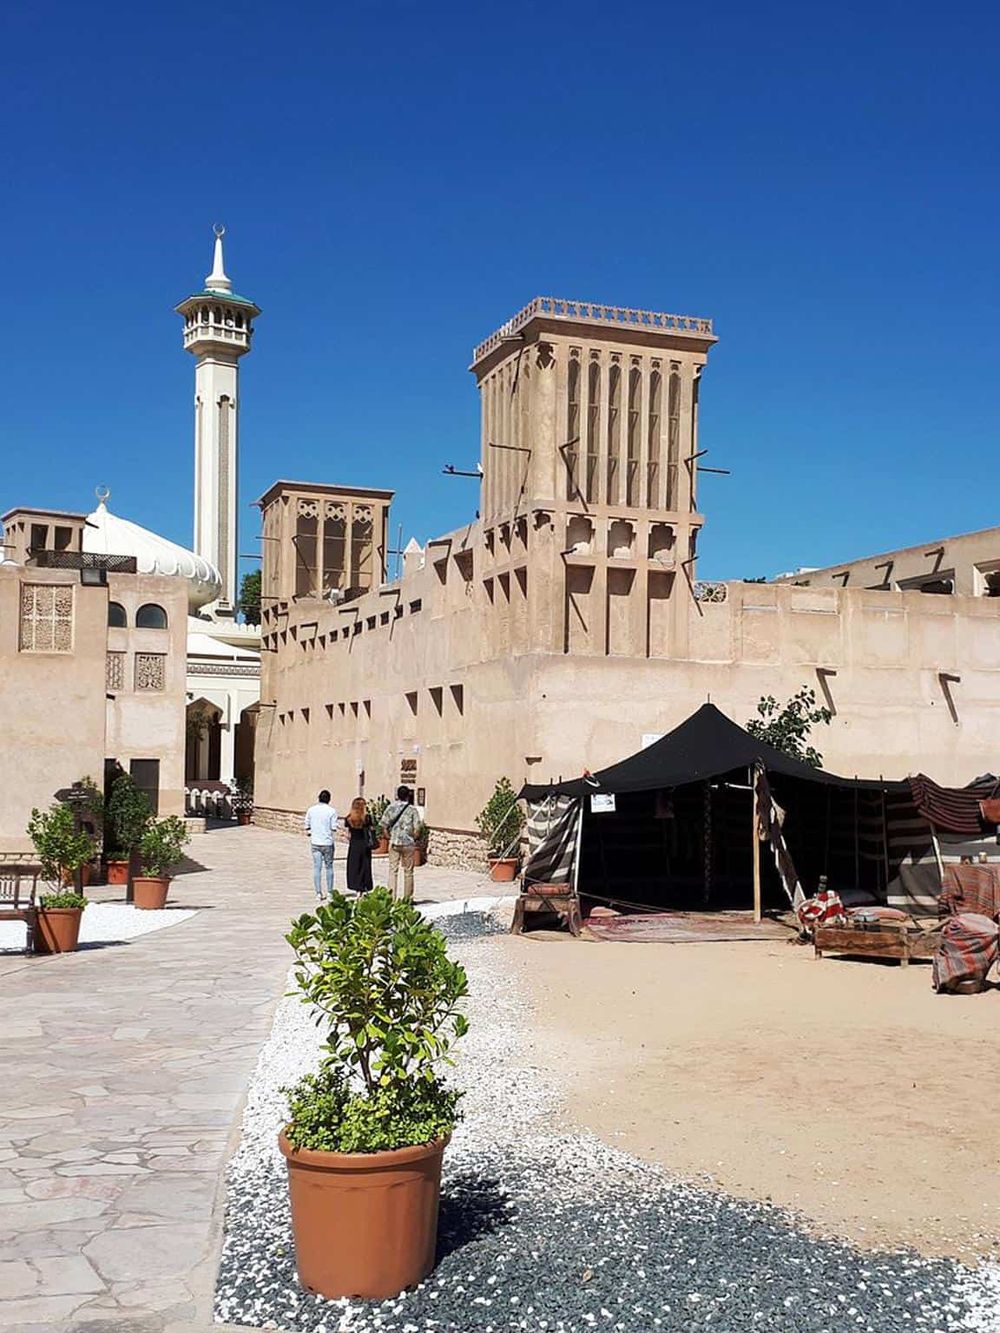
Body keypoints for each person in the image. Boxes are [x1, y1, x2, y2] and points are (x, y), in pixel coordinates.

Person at [379, 785, 423, 902]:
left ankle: (391, 898)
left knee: (393, 870)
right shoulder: (412, 810)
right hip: (408, 843)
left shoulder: (391, 808)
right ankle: (408, 898)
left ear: (398, 795)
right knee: (408, 871)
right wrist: (414, 837)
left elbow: (383, 825)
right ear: (408, 796)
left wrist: (388, 836)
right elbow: (417, 828)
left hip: (394, 842)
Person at [303, 789, 338, 902]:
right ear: (329, 799)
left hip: (315, 842)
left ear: (319, 798)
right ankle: (330, 893)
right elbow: (334, 827)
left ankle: (318, 893)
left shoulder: (311, 810)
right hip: (327, 842)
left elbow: (307, 825)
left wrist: (311, 831)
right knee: (329, 867)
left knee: (317, 868)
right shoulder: (332, 811)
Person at [344, 797, 374, 895]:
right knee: (364, 866)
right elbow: (371, 829)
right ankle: (364, 886)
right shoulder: (366, 818)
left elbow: (348, 834)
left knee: (354, 866)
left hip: (354, 844)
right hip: (364, 844)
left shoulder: (349, 818)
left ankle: (356, 887)